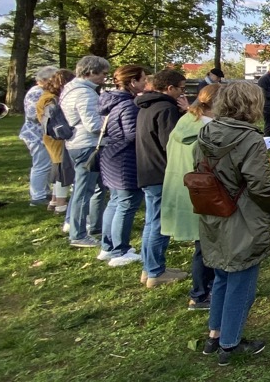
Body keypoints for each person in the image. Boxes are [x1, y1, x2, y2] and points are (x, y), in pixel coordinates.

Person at [197, 81, 270, 364]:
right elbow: (260, 185)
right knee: (242, 278)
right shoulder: (249, 139)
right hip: (241, 214)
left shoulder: (206, 131)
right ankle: (230, 341)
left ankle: (215, 333)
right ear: (252, 105)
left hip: (213, 210)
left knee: (223, 274)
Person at [162, 84, 220, 310]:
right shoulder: (208, 129)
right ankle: (200, 293)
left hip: (184, 188)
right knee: (206, 246)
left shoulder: (186, 122)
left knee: (203, 243)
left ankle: (202, 290)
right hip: (203, 191)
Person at [137, 69, 190, 287]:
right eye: (181, 88)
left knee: (152, 221)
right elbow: (173, 143)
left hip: (148, 169)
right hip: (161, 173)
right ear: (170, 88)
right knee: (160, 223)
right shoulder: (166, 109)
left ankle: (149, 267)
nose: (183, 93)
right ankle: (155, 272)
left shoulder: (147, 106)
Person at [98, 64, 148, 266]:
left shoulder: (111, 101)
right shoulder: (128, 105)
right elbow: (132, 134)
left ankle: (108, 246)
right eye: (143, 78)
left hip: (111, 156)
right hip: (124, 159)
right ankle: (120, 250)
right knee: (126, 203)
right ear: (132, 82)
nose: (145, 82)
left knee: (115, 202)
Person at [61, 55, 111, 249]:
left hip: (80, 143)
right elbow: (93, 125)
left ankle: (96, 226)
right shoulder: (85, 93)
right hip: (87, 145)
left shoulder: (71, 89)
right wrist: (111, 121)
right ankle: (78, 234)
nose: (104, 78)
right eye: (103, 74)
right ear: (91, 72)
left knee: (98, 187)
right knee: (84, 191)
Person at [37, 69, 76, 215]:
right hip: (57, 136)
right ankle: (61, 204)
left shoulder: (46, 96)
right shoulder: (52, 99)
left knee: (58, 167)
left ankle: (54, 201)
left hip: (50, 136)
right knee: (63, 169)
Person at [20, 66, 58, 209]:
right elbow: (32, 114)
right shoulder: (36, 92)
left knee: (47, 164)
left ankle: (44, 191)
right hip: (36, 135)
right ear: (43, 80)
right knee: (41, 165)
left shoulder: (45, 92)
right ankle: (37, 196)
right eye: (53, 79)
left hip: (43, 134)